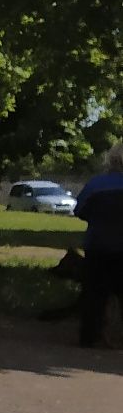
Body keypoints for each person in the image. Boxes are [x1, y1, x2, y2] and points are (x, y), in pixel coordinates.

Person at [73, 142, 123, 348]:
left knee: (94, 294)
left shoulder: (96, 184)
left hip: (98, 244)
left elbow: (80, 210)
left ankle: (88, 337)